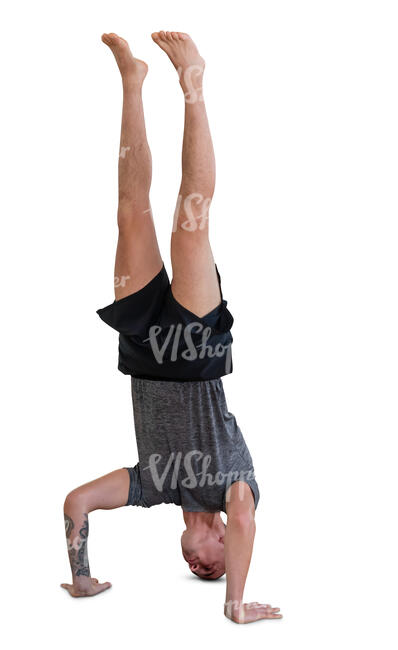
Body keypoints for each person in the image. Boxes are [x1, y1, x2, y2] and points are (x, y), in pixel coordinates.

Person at [61, 31, 282, 624]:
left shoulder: (154, 485)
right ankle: (193, 86)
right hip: (197, 344)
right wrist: (235, 602)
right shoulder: (238, 490)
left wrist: (81, 576)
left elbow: (77, 501)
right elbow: (244, 524)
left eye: (198, 572)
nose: (205, 567)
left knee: (130, 209)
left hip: (143, 347)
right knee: (192, 219)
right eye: (215, 567)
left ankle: (131, 80)